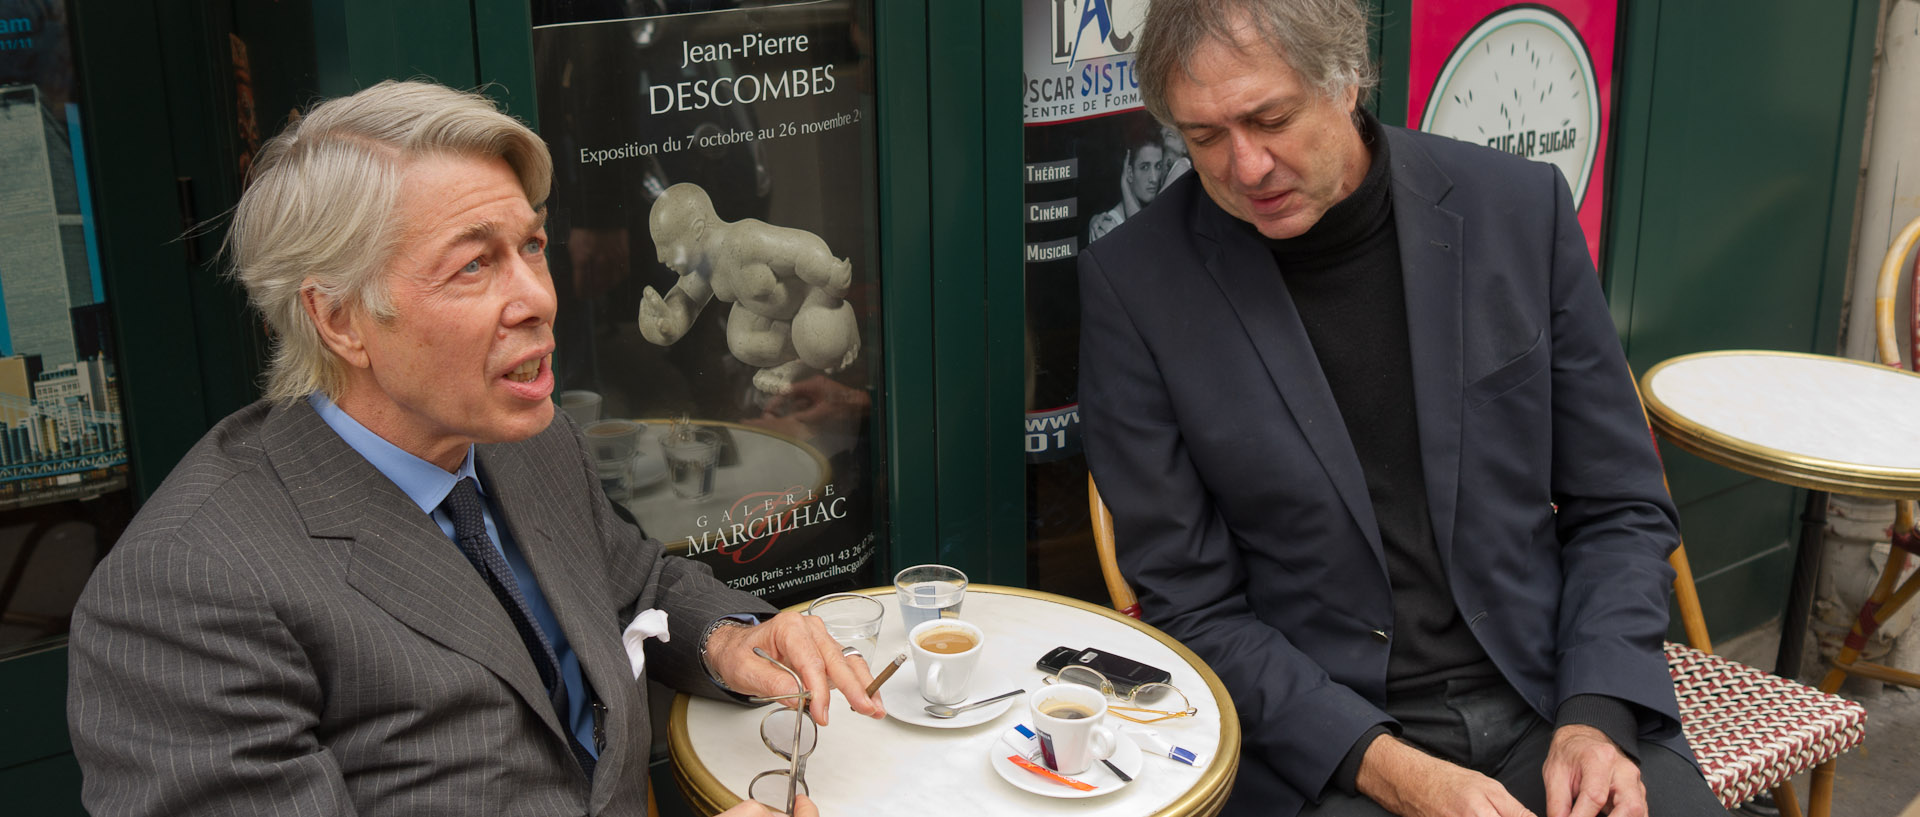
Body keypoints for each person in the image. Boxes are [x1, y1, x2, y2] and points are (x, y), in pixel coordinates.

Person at [66, 80, 879, 817]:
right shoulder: (184, 591)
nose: (538, 298)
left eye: (530, 246)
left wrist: (725, 639)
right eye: (472, 266)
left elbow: (633, 583)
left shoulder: (526, 437)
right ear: (338, 319)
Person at [1077, 2, 1724, 816]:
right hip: (1326, 745)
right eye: (1204, 137)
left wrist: (1594, 717)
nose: (1246, 166)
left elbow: (1621, 506)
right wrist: (1391, 768)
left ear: (1347, 79)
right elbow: (1192, 606)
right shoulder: (1137, 286)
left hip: (1550, 691)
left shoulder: (1517, 211)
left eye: (1270, 119)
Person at [1087, 121, 1170, 244]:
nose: (1154, 178)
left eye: (1158, 166)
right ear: (1129, 173)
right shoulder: (1108, 227)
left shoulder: (1158, 212)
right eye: (1145, 167)